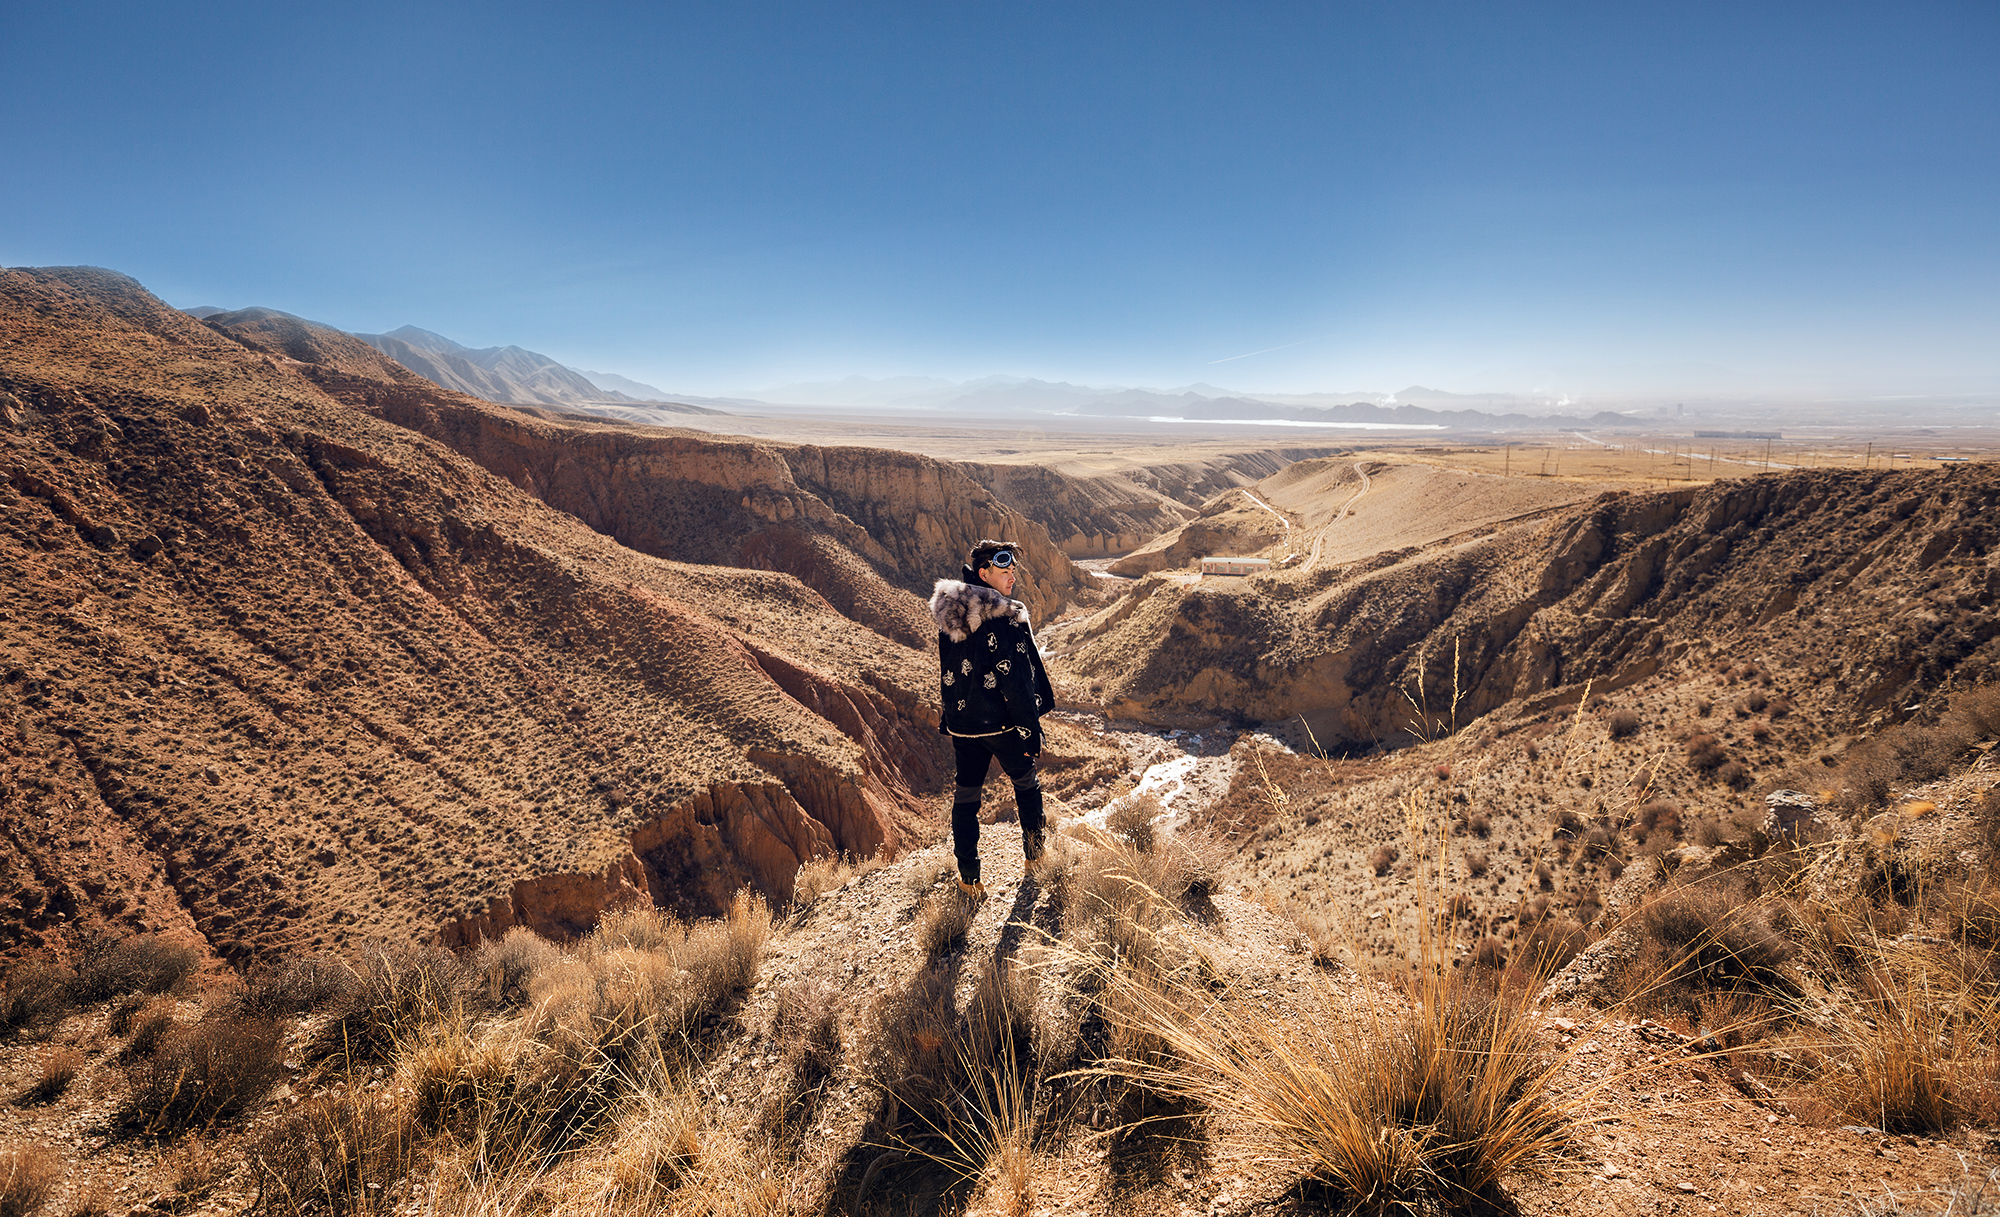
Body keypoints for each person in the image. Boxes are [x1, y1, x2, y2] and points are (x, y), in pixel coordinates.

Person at [929, 539, 1054, 898]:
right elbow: (1016, 681)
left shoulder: (951, 614)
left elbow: (947, 672)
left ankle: (968, 879)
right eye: (1004, 571)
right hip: (1002, 724)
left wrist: (950, 718)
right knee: (1027, 785)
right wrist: (1030, 731)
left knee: (966, 797)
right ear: (984, 573)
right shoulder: (1003, 619)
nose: (1012, 576)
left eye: (1013, 570)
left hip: (964, 726)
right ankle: (1035, 860)